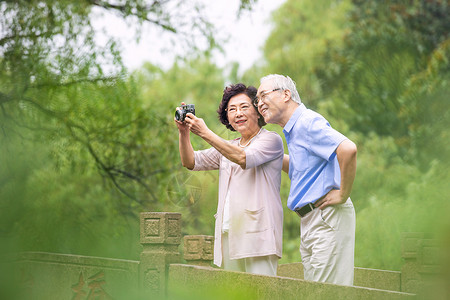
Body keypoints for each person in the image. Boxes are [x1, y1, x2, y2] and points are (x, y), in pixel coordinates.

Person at [256, 74, 357, 285]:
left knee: (326, 294)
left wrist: (343, 193)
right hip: (311, 219)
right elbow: (302, 169)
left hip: (326, 216)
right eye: (257, 100)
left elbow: (348, 149)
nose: (259, 103)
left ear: (286, 94)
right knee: (315, 292)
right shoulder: (293, 130)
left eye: (263, 95)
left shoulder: (306, 122)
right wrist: (261, 155)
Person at [175, 83, 284, 276]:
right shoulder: (227, 147)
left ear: (258, 110)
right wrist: (184, 133)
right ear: (227, 117)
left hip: (259, 236)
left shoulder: (271, 140)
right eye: (231, 109)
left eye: (244, 107)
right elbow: (190, 161)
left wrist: (205, 132)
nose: (238, 113)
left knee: (263, 294)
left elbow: (243, 157)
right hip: (228, 235)